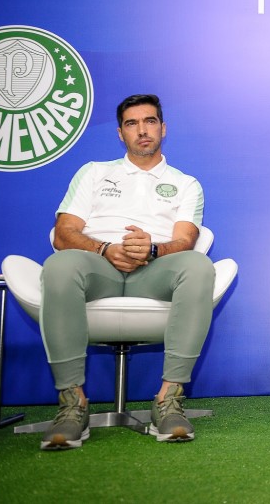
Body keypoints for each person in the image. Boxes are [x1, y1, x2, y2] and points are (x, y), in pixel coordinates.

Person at [38, 94, 216, 449]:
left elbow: (186, 240)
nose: (142, 130)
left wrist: (152, 249)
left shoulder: (186, 183)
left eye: (150, 121)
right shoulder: (94, 172)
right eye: (132, 124)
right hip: (98, 266)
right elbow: (64, 233)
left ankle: (168, 400)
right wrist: (105, 248)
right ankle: (72, 405)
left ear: (163, 128)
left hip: (155, 270)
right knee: (58, 265)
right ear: (121, 133)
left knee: (199, 265)